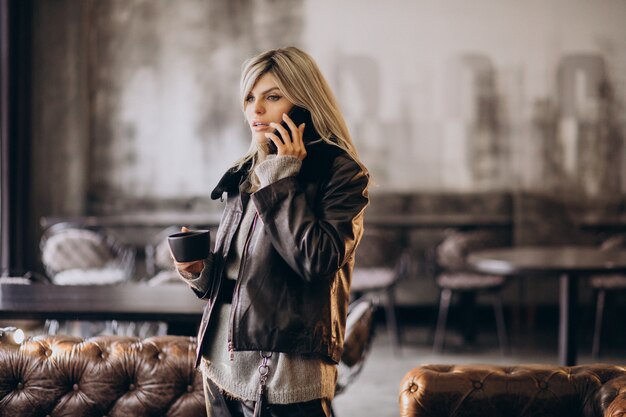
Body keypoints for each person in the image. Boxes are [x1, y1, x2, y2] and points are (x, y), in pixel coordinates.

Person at [175, 46, 369, 417]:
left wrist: (282, 177)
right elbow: (240, 275)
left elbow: (316, 261)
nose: (255, 110)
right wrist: (199, 272)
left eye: (273, 96)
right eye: (250, 97)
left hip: (284, 380)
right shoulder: (248, 169)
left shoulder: (340, 173)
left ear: (305, 103)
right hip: (219, 367)